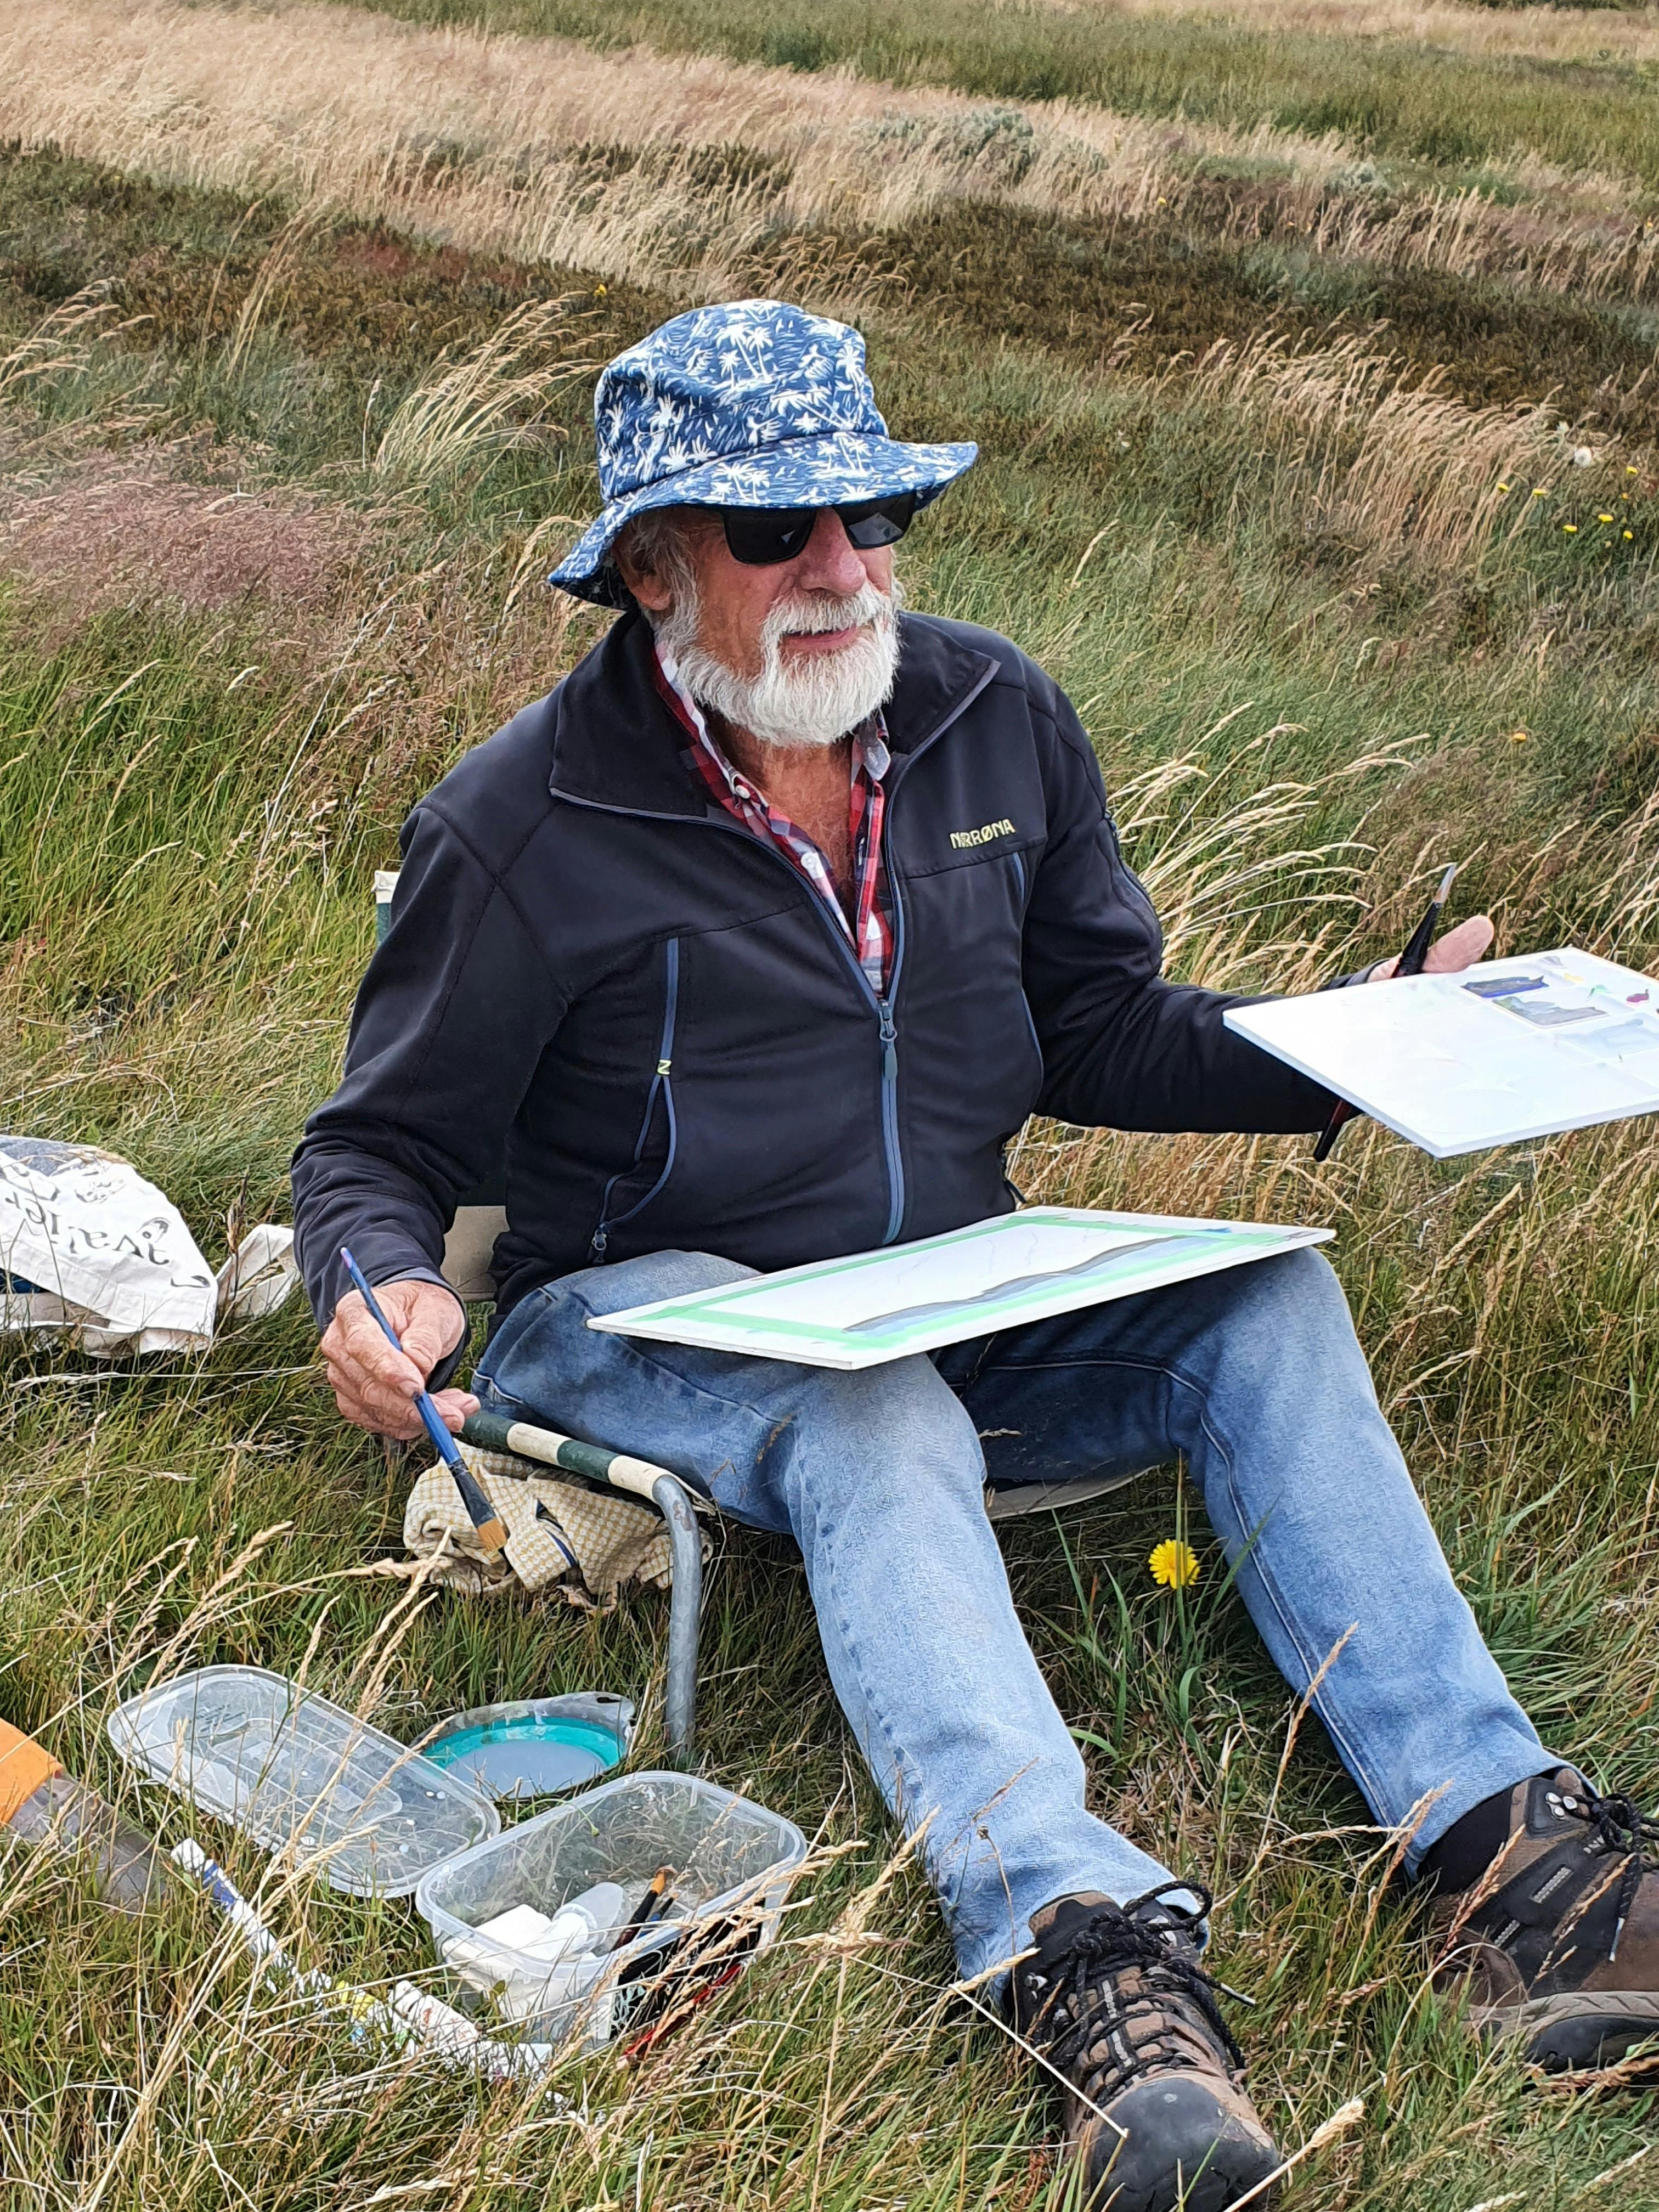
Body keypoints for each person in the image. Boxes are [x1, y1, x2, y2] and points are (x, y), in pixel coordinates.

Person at [293, 300, 1659, 2212]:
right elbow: (374, 1147)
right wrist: (376, 1281)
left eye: (871, 514)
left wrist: (1356, 1041)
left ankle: (1513, 1858)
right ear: (653, 566)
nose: (843, 567)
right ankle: (1075, 1954)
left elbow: (1096, 1025)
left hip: (943, 1280)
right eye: (776, 530)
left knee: (1265, 1294)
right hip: (633, 1313)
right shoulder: (519, 822)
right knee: (874, 1418)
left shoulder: (990, 713)